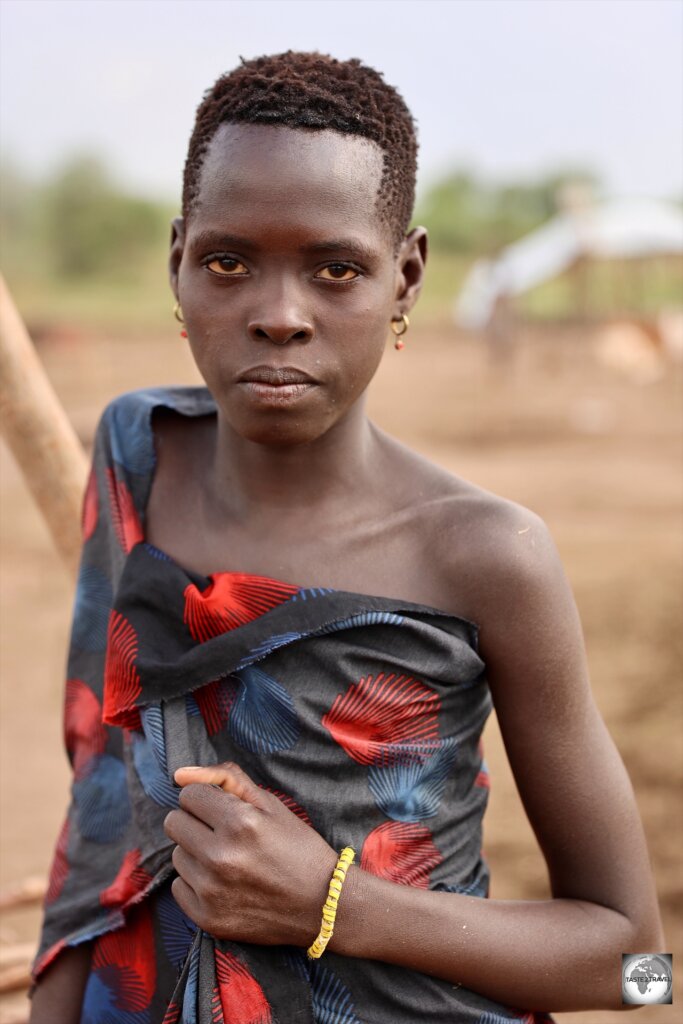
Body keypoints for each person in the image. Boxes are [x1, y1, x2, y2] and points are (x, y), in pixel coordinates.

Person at [30, 52, 663, 1024]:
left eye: (334, 269)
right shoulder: (137, 454)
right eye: (228, 262)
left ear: (405, 275)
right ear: (176, 261)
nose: (278, 316)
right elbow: (104, 796)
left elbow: (641, 973)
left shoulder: (485, 557)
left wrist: (334, 904)